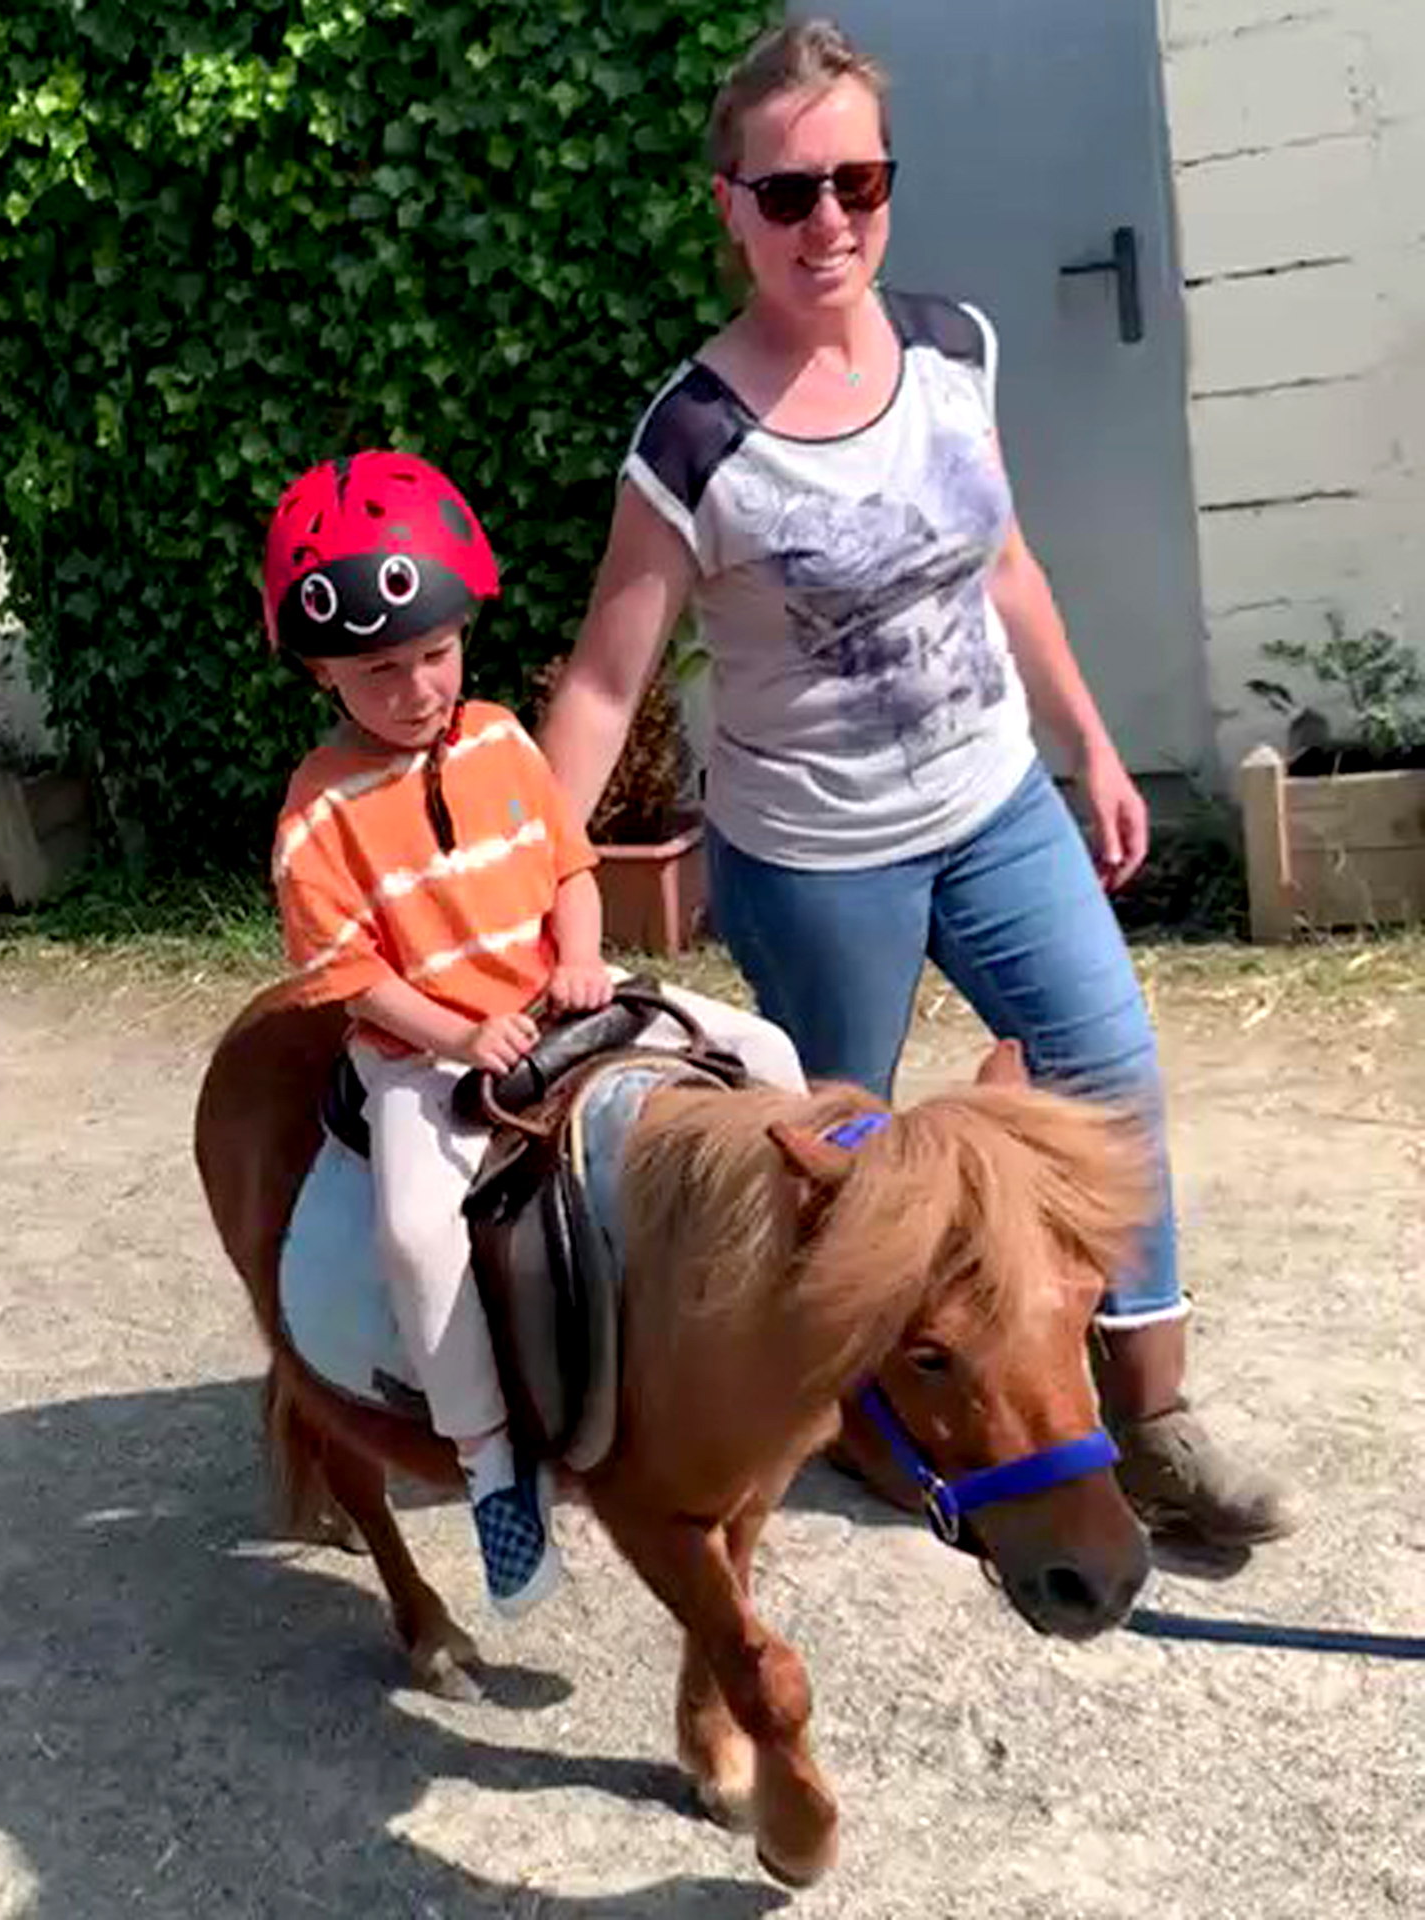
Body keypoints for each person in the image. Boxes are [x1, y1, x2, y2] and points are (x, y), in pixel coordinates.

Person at [538, 20, 1294, 1547]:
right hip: (815, 860)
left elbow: (1003, 562)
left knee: (1108, 1082)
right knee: (842, 1170)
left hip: (994, 807)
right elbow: (608, 682)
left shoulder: (953, 349)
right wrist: (544, 891)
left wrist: (1088, 744)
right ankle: (865, 1417)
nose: (827, 220)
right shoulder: (695, 440)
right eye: (788, 191)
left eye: (859, 182)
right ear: (730, 206)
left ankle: (1150, 1421)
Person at [262, 449, 806, 1615]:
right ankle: (491, 1465)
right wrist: (459, 1035)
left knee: (769, 1056)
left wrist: (577, 956)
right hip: (425, 1058)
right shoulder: (315, 814)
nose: (417, 687)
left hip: (567, 1003)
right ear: (321, 670)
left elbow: (568, 868)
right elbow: (351, 977)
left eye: (435, 652)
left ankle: (795, 1288)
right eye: (378, 669)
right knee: (419, 1236)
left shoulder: (503, 740)